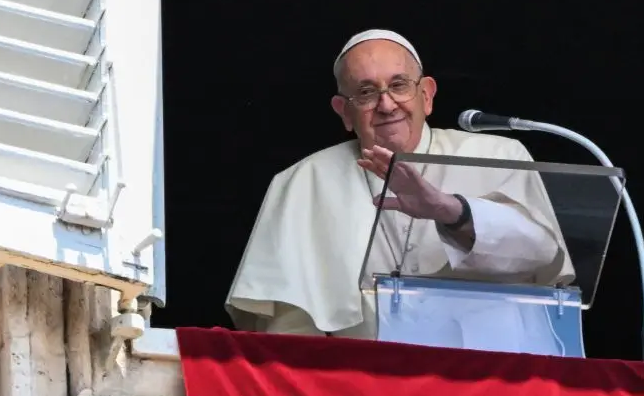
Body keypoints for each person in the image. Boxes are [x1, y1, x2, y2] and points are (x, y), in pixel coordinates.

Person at [225, 29, 574, 340]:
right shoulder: (304, 181)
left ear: (427, 94)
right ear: (343, 112)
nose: (386, 104)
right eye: (365, 92)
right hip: (364, 389)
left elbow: (544, 258)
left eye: (398, 85)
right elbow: (290, 321)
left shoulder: (498, 155)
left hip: (494, 375)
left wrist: (451, 211)